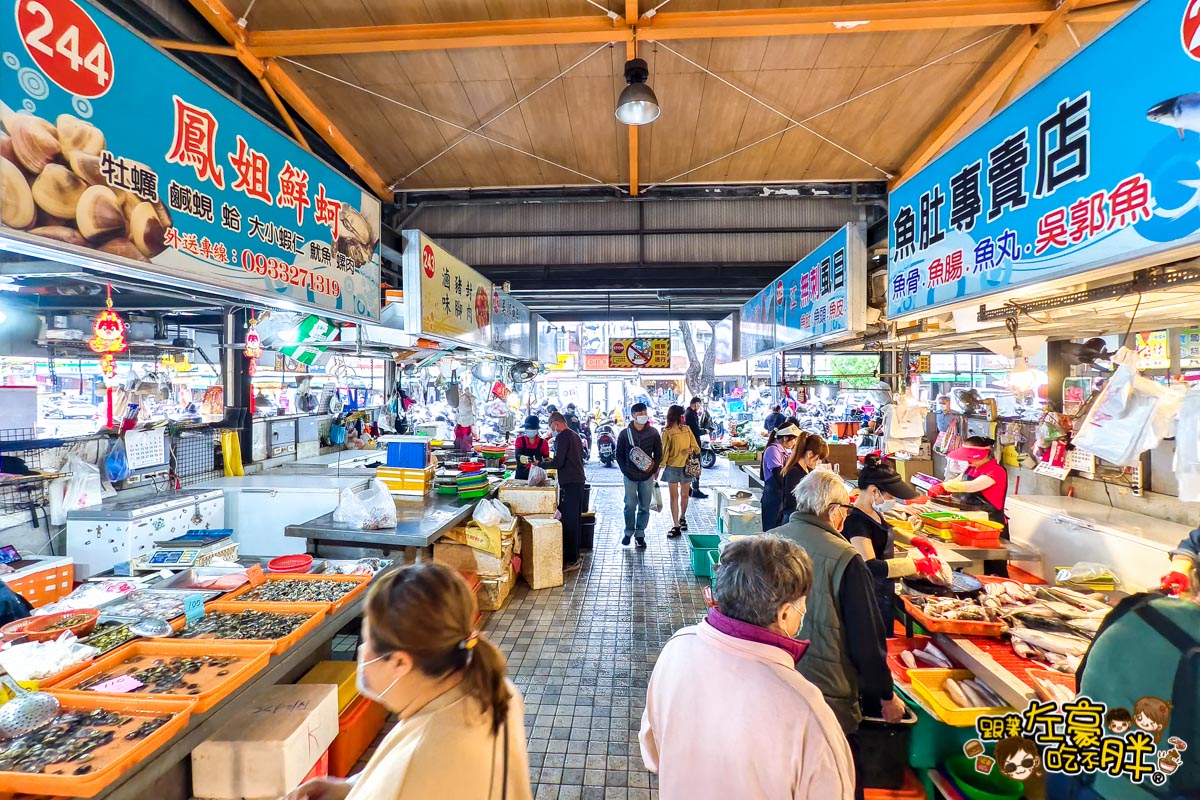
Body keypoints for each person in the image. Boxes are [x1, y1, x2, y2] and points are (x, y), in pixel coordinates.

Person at [283, 564, 532, 800]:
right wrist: (352, 787)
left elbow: (409, 776)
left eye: (367, 641)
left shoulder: (410, 771)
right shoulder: (496, 690)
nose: (363, 652)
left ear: (400, 663)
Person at [640, 535, 855, 800]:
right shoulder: (806, 710)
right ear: (786, 614)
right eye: (803, 602)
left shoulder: (677, 647)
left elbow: (652, 752)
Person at [770, 470, 906, 800]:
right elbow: (866, 638)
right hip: (828, 696)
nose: (845, 516)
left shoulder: (769, 541)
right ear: (833, 512)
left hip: (773, 686)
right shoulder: (846, 557)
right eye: (844, 509)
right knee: (838, 782)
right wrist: (885, 695)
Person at [843, 454, 924, 638]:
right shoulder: (856, 521)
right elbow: (869, 565)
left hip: (883, 591)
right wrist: (914, 566)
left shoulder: (872, 511)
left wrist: (914, 540)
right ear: (874, 491)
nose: (892, 501)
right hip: (868, 596)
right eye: (890, 496)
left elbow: (885, 529)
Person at [927, 436, 1009, 576]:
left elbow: (972, 486)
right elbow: (958, 481)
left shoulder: (996, 471)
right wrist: (946, 488)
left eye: (971, 457)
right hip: (970, 524)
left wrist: (945, 486)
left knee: (994, 568)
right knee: (972, 567)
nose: (968, 460)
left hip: (991, 526)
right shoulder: (971, 468)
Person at [543, 411, 586, 573]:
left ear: (555, 423)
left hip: (570, 483)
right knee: (575, 519)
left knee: (569, 521)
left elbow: (559, 462)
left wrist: (541, 464)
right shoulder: (575, 435)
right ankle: (575, 554)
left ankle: (572, 559)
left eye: (551, 426)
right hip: (579, 481)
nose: (551, 430)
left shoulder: (562, 437)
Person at [615, 402, 662, 548]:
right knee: (630, 505)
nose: (643, 416)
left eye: (644, 413)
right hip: (629, 476)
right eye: (640, 414)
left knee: (644, 506)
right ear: (634, 415)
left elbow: (659, 453)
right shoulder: (624, 434)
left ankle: (640, 534)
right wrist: (625, 470)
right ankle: (628, 532)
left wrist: (653, 468)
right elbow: (619, 455)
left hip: (647, 477)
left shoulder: (653, 432)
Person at [660, 404, 700, 538]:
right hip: (672, 467)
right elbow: (664, 452)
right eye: (681, 415)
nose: (684, 417)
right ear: (675, 416)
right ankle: (676, 525)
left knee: (684, 494)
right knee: (673, 497)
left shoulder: (687, 430)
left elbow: (696, 447)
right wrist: (659, 467)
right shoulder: (667, 432)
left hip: (687, 466)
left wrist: (691, 450)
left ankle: (682, 517)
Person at [685, 396, 709, 499]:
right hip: (693, 445)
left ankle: (691, 489)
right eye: (699, 405)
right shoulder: (690, 414)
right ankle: (695, 490)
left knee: (692, 467)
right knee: (695, 467)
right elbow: (695, 430)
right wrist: (705, 431)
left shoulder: (690, 413)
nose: (699, 407)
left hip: (692, 444)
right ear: (695, 404)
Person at [513, 415, 549, 481]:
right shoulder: (520, 439)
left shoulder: (543, 442)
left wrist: (541, 463)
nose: (529, 430)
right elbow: (517, 456)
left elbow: (546, 458)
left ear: (537, 429)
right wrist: (529, 460)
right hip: (521, 476)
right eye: (527, 428)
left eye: (531, 428)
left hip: (537, 476)